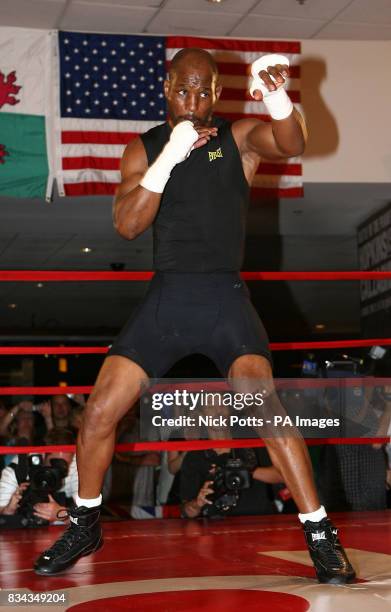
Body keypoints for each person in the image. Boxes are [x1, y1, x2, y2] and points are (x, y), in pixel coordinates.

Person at [34, 47, 355, 583]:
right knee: (97, 413)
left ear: (217, 93)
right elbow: (128, 226)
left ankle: (320, 535)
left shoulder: (238, 139)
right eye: (184, 89)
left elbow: (293, 141)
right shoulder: (143, 149)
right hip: (167, 301)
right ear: (166, 87)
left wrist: (277, 96)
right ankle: (86, 521)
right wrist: (171, 156)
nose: (194, 100)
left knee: (264, 405)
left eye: (204, 91)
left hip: (224, 300)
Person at [0, 429, 78, 523]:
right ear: (43, 455)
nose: (59, 469)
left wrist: (63, 515)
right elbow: (2, 516)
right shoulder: (16, 470)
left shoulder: (75, 467)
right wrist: (9, 510)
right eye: (55, 463)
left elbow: (88, 517)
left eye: (64, 465)